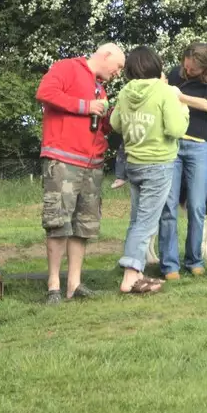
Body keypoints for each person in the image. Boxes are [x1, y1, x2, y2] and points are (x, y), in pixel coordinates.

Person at [36, 42, 125, 305]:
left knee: (83, 226)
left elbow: (104, 126)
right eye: (118, 66)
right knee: (57, 222)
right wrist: (85, 106)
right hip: (63, 159)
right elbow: (45, 92)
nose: (118, 73)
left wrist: (114, 116)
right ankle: (53, 286)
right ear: (105, 55)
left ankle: (74, 285)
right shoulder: (67, 67)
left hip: (93, 164)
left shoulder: (101, 87)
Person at [108, 45, 188, 295]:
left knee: (137, 220)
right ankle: (131, 275)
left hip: (134, 164)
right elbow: (176, 129)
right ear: (156, 65)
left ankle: (138, 272)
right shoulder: (164, 91)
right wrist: (183, 110)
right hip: (158, 164)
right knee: (146, 221)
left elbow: (115, 124)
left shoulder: (124, 92)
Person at [157, 42, 207, 280]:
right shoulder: (176, 73)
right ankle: (169, 265)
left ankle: (194, 260)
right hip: (172, 144)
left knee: (197, 206)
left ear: (206, 68)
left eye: (193, 70)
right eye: (185, 67)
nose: (187, 72)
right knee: (168, 207)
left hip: (199, 147)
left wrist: (179, 96)